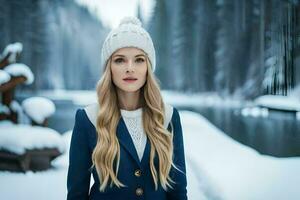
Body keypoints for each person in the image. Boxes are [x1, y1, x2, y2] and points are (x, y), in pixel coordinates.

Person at [67, 16, 187, 200]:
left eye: (139, 60)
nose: (130, 68)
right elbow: (76, 194)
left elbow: (178, 192)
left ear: (148, 66)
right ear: (109, 67)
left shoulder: (168, 117)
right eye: (120, 60)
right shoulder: (88, 118)